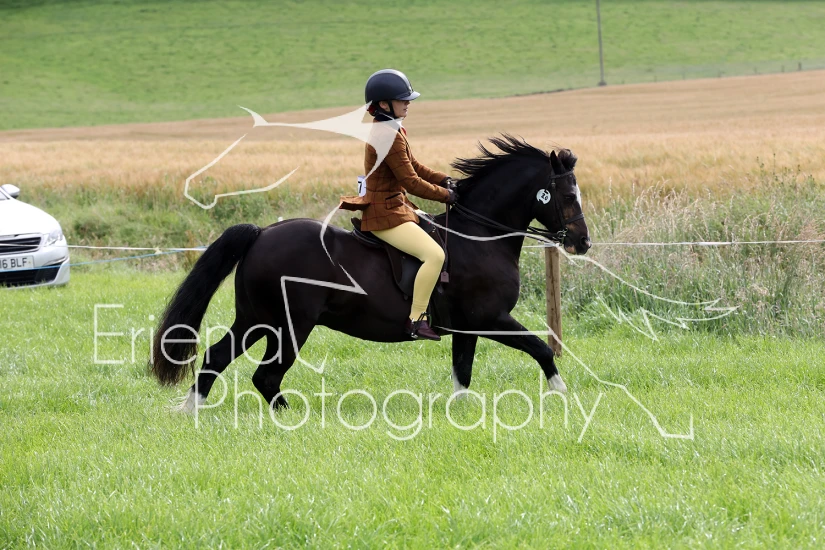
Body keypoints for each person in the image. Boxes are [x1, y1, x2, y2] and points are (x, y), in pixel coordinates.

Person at [340, 69, 458, 341]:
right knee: (435, 255)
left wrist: (446, 180)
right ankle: (416, 320)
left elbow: (414, 166)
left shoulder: (392, 129)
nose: (408, 104)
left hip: (396, 206)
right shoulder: (387, 135)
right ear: (384, 104)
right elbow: (411, 181)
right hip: (385, 214)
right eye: (402, 100)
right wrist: (446, 196)